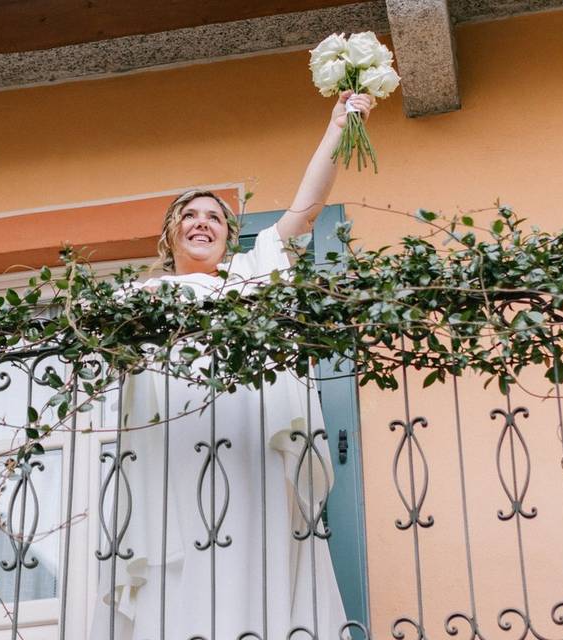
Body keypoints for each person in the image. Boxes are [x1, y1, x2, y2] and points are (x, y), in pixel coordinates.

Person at [91, 91, 375, 640]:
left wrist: (337, 128)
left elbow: (306, 210)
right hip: (172, 447)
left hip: (251, 440)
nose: (203, 224)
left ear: (229, 233)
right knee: (181, 552)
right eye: (190, 216)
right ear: (170, 232)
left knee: (253, 542)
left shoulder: (250, 273)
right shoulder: (135, 296)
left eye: (215, 217)